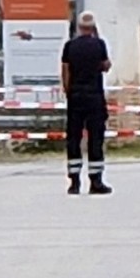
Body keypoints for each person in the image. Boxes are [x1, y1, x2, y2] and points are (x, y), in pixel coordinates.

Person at [61, 11, 112, 195]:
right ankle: (96, 181)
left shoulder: (69, 46)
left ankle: (74, 182)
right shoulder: (99, 44)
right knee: (95, 138)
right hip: (94, 97)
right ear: (93, 28)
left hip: (75, 97)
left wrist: (69, 92)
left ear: (78, 27)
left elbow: (65, 71)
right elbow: (106, 66)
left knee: (74, 138)